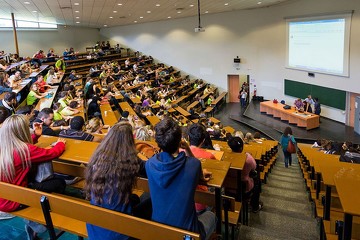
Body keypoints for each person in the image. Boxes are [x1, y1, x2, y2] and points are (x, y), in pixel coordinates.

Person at [145, 117, 216, 240]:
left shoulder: (149, 164)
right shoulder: (193, 165)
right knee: (212, 216)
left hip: (159, 228)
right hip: (188, 233)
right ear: (180, 141)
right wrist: (187, 148)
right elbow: (194, 164)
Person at [0, 114, 66, 239]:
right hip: (15, 201)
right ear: (22, 131)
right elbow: (51, 153)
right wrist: (60, 144)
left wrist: (35, 136)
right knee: (59, 183)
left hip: (3, 198)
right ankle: (38, 223)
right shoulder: (24, 150)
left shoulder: (5, 147)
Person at [85, 122, 151, 240]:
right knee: (150, 199)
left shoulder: (99, 156)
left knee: (135, 198)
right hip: (119, 233)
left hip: (95, 225)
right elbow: (149, 170)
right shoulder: (130, 160)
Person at [227, 136, 263, 212]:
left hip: (228, 187)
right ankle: (255, 206)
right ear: (241, 148)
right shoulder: (248, 158)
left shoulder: (226, 157)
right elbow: (254, 167)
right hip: (244, 188)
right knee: (257, 180)